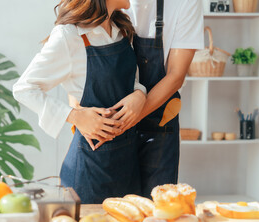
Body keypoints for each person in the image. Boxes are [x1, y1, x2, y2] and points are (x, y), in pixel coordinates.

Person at [13, 0, 147, 204]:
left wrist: (140, 93)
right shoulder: (70, 35)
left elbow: (131, 80)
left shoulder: (121, 28)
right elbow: (24, 89)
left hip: (128, 160)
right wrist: (75, 116)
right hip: (90, 169)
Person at [126, 0, 204, 197]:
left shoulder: (186, 2)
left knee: (157, 212)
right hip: (112, 122)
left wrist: (128, 119)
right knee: (111, 211)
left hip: (159, 125)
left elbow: (176, 76)